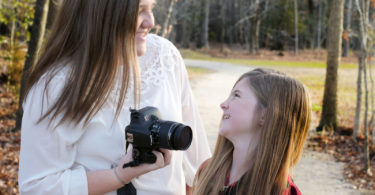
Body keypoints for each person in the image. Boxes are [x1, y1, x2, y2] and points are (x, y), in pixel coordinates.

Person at [18, 0, 211, 194]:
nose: (150, 22)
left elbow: (196, 166)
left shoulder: (166, 57)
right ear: (102, 12)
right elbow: (38, 187)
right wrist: (118, 176)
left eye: (151, 8)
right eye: (139, 11)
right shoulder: (56, 86)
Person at [193, 68, 311, 195]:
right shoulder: (208, 172)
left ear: (265, 115)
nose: (223, 104)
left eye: (236, 95)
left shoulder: (281, 191)